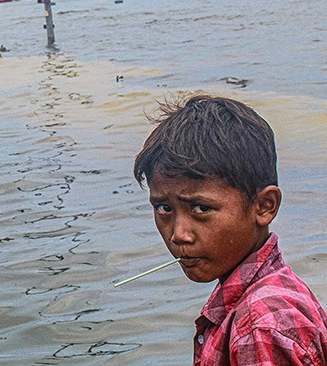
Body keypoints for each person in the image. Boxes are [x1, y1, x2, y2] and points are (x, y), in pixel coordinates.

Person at [133, 94, 327, 364]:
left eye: (201, 209)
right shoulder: (247, 298)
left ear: (264, 206)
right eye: (164, 208)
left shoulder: (261, 328)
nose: (178, 234)